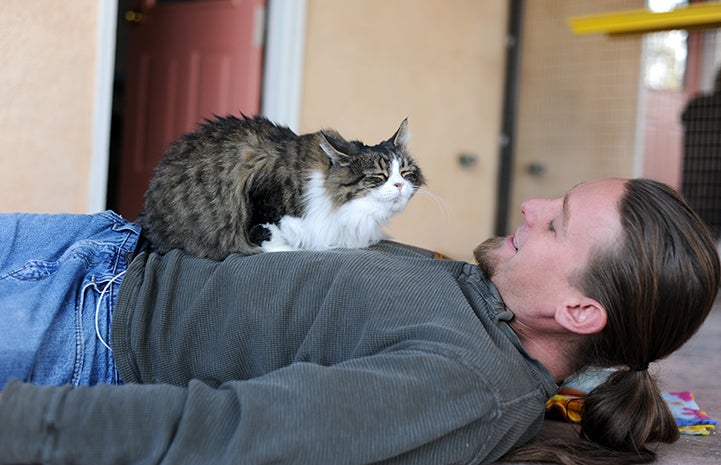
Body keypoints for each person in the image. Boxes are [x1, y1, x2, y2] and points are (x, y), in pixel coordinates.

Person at [0, 177, 717, 465]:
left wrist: (20, 423)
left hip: (71, 326)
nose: (530, 206)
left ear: (578, 310)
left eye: (556, 224)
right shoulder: (483, 303)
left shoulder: (466, 383)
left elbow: (226, 431)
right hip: (92, 248)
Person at [681, 66, 721, 241]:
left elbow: (683, 118)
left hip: (695, 182)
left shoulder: (697, 104)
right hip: (715, 184)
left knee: (699, 236)